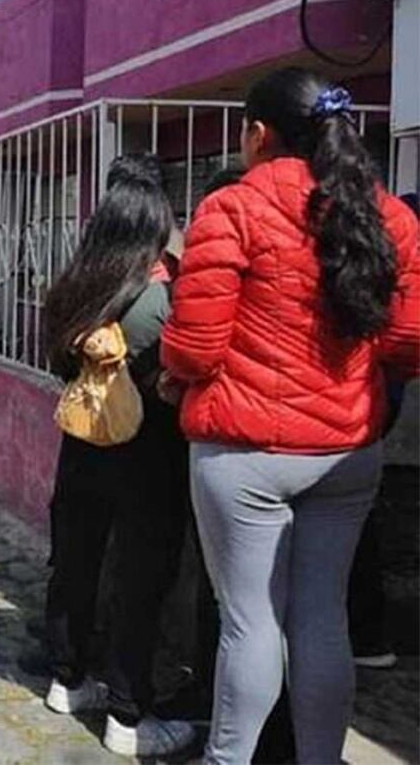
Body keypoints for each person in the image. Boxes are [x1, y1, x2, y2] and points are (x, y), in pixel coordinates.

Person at [161, 68, 420, 765]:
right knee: (321, 618)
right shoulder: (390, 216)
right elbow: (407, 342)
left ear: (257, 133)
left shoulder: (234, 208)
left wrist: (175, 379)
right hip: (345, 452)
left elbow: (194, 345)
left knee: (250, 626)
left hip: (243, 451)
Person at [38, 155, 195, 758]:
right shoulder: (160, 297)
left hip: (81, 446)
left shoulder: (76, 288)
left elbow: (57, 364)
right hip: (147, 453)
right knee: (140, 578)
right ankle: (129, 716)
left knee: (75, 563)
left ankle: (68, 679)